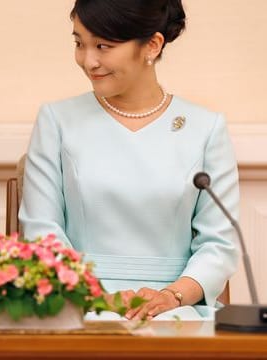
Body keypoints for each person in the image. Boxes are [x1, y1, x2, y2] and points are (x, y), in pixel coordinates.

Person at [19, 0, 239, 320]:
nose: (88, 60)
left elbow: (218, 244)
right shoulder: (57, 120)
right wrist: (97, 298)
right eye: (79, 43)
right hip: (79, 304)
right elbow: (41, 231)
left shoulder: (206, 128)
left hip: (178, 306)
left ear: (152, 45)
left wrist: (172, 296)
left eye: (103, 46)